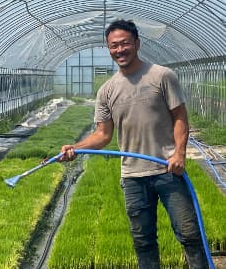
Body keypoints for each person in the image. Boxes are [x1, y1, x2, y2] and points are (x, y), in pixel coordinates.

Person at [59, 19, 208, 268]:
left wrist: (179, 153)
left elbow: (180, 117)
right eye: (114, 46)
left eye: (125, 43)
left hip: (167, 170)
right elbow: (103, 135)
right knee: (143, 240)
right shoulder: (107, 91)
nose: (120, 50)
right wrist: (75, 147)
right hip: (133, 176)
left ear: (137, 43)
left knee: (190, 234)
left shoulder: (161, 76)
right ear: (109, 49)